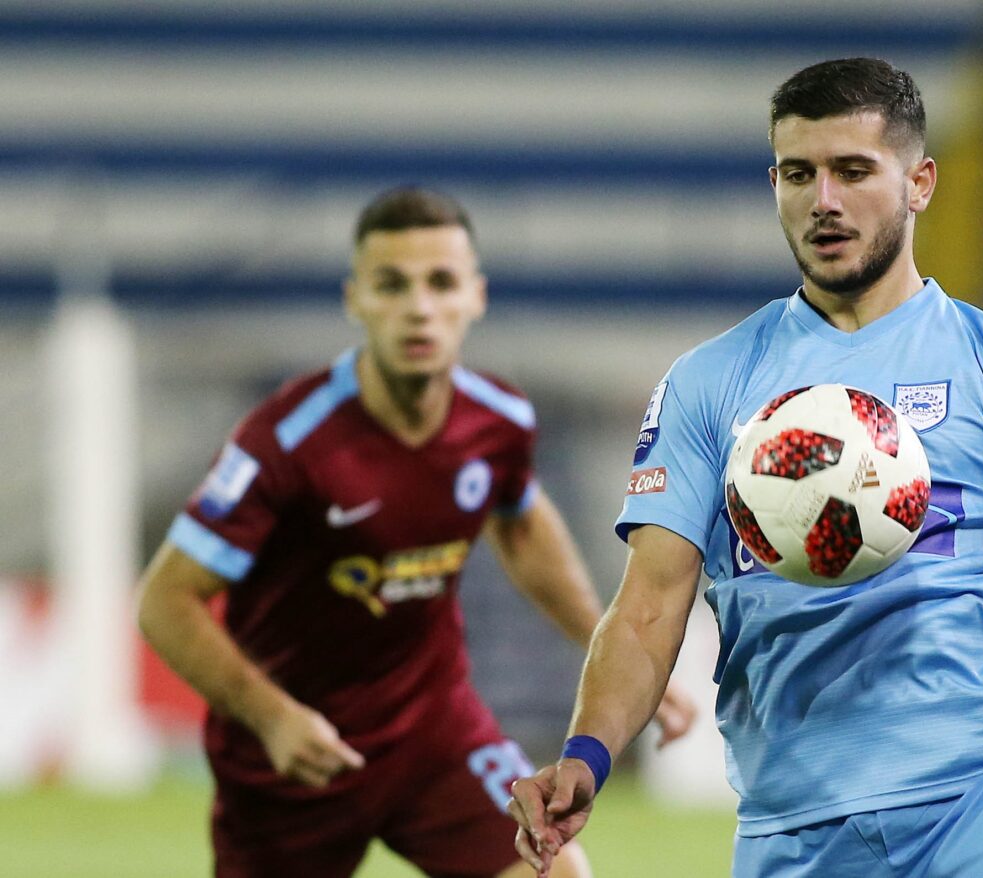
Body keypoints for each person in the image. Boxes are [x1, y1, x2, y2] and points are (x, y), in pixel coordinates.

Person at [509, 58, 983, 878]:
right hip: (798, 831)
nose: (823, 200)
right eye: (799, 174)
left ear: (919, 183)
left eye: (853, 171)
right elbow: (648, 605)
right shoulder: (708, 384)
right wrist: (587, 755)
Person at [136, 187, 696, 878]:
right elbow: (163, 600)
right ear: (356, 299)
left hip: (433, 734)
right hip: (293, 755)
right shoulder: (285, 441)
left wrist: (611, 650)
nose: (419, 307)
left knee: (554, 872)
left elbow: (523, 526)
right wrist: (273, 717)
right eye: (393, 285)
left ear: (475, 296)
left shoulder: (498, 420)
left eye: (441, 283)